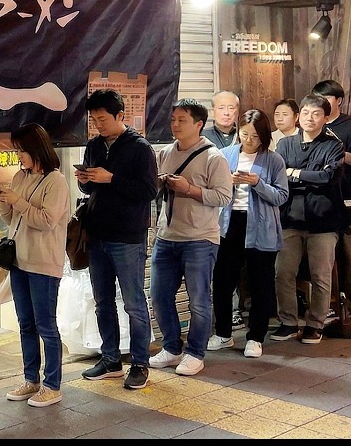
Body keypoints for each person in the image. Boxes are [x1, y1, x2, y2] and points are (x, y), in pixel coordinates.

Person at [76, 89, 160, 391]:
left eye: (103, 119)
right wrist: (86, 181)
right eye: (94, 119)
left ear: (120, 116)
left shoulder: (140, 148)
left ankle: (140, 363)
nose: (98, 124)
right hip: (97, 234)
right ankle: (110, 358)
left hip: (127, 236)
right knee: (102, 302)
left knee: (134, 304)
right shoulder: (94, 145)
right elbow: (90, 191)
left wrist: (111, 178)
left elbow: (149, 190)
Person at [149, 99, 233, 376]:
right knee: (160, 297)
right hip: (166, 235)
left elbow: (223, 196)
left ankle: (196, 353)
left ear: (199, 124)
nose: (175, 125)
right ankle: (172, 348)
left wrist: (190, 189)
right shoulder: (163, 153)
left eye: (181, 120)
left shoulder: (213, 157)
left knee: (198, 300)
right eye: (173, 119)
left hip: (200, 238)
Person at [0, 123, 71, 407]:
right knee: (25, 324)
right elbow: (11, 219)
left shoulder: (56, 181)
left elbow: (47, 222)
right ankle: (31, 380)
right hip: (19, 262)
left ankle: (52, 384)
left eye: (21, 150)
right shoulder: (19, 176)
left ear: (37, 149)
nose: (18, 156)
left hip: (44, 264)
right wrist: (3, 199)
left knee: (45, 326)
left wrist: (18, 201)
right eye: (16, 151)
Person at [209, 110, 289, 359]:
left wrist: (257, 183)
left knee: (260, 283)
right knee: (222, 281)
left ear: (264, 136)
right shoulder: (225, 155)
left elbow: (281, 196)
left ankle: (255, 337)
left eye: (255, 136)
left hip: (260, 226)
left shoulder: (274, 159)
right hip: (228, 223)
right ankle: (222, 333)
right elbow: (212, 190)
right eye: (244, 134)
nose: (249, 140)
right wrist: (227, 183)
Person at [272, 94, 346, 345]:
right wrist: (307, 175)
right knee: (283, 272)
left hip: (323, 220)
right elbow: (280, 177)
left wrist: (296, 173)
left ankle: (316, 324)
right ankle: (288, 322)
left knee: (320, 276)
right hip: (290, 218)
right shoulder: (284, 145)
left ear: (325, 118)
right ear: (298, 116)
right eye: (305, 113)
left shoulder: (333, 145)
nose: (309, 118)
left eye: (316, 114)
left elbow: (328, 178)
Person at [312, 79, 351, 329]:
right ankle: (324, 307)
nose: (321, 104)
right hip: (319, 200)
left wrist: (336, 151)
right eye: (317, 99)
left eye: (326, 99)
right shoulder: (311, 124)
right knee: (321, 260)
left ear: (338, 101)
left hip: (348, 198)